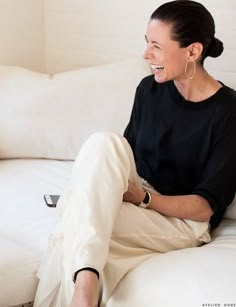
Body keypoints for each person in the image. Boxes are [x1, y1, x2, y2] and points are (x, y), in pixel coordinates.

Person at [34, 1, 236, 306]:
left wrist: (143, 198)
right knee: (104, 142)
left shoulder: (229, 112)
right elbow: (122, 155)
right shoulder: (148, 90)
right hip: (139, 196)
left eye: (156, 45)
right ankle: (85, 289)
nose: (146, 54)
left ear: (193, 52)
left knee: (77, 220)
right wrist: (121, 190)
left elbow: (204, 208)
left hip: (181, 221)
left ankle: (84, 289)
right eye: (147, 43)